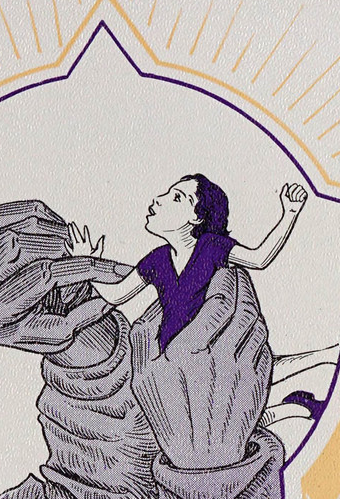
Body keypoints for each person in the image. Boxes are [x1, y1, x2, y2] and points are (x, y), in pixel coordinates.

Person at [67, 173, 325, 425]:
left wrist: (290, 213)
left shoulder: (211, 247)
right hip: (172, 362)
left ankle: (322, 362)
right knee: (215, 426)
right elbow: (117, 295)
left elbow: (259, 259)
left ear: (197, 217)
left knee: (234, 404)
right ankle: (299, 407)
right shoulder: (157, 259)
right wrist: (84, 262)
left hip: (210, 351)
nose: (159, 199)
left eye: (177, 197)